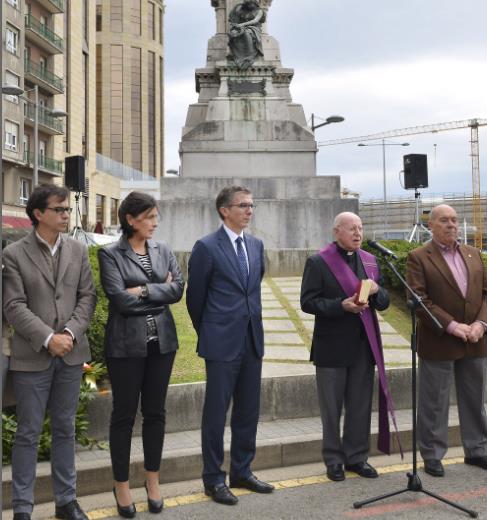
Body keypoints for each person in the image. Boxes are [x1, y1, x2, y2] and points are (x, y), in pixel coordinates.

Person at [2, 184, 97, 520]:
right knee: (27, 433)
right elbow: (13, 306)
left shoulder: (77, 251)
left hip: (71, 353)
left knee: (64, 429)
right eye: (59, 210)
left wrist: (69, 332)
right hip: (32, 358)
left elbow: (88, 297)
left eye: (68, 210)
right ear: (38, 213)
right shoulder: (14, 254)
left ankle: (65, 501)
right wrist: (47, 338)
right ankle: (23, 508)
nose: (66, 215)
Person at [98, 191, 184, 517]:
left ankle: (153, 480)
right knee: (123, 415)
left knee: (155, 413)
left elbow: (178, 289)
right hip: (125, 346)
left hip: (162, 343)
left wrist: (144, 290)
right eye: (149, 217)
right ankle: (121, 485)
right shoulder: (110, 254)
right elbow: (119, 300)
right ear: (130, 219)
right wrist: (157, 291)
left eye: (155, 216)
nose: (155, 222)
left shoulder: (163, 250)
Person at [186, 185, 274, 506]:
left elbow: (253, 289)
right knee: (216, 413)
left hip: (252, 340)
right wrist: (211, 331)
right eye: (243, 205)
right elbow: (195, 299)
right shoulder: (206, 247)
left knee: (248, 410)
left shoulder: (255, 244)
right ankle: (213, 478)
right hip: (221, 343)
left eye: (251, 205)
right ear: (225, 210)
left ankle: (242, 471)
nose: (249, 210)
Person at [300, 212, 394, 482]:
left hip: (363, 347)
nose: (357, 233)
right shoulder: (318, 262)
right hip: (331, 347)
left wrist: (377, 291)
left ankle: (357, 457)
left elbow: (384, 302)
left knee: (360, 405)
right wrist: (340, 305)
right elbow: (308, 302)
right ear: (336, 232)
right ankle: (333, 460)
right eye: (351, 228)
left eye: (361, 228)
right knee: (331, 408)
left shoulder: (370, 261)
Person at [406, 204, 487, 477]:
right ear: (431, 225)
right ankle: (432, 455)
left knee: (475, 398)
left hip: (475, 339)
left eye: (454, 219)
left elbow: (485, 294)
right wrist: (452, 326)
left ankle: (477, 449)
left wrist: (481, 324)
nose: (451, 224)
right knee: (434, 402)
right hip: (440, 339)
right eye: (444, 220)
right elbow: (418, 300)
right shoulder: (418, 257)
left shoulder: (474, 254)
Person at [228, 0, 265, 69]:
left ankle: (250, 56)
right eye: (248, 4)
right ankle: (236, 54)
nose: (250, 6)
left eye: (251, 4)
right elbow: (235, 18)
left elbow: (255, 21)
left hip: (254, 28)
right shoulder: (243, 12)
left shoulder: (260, 11)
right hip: (243, 27)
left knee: (247, 33)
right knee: (233, 34)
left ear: (255, 3)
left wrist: (241, 25)